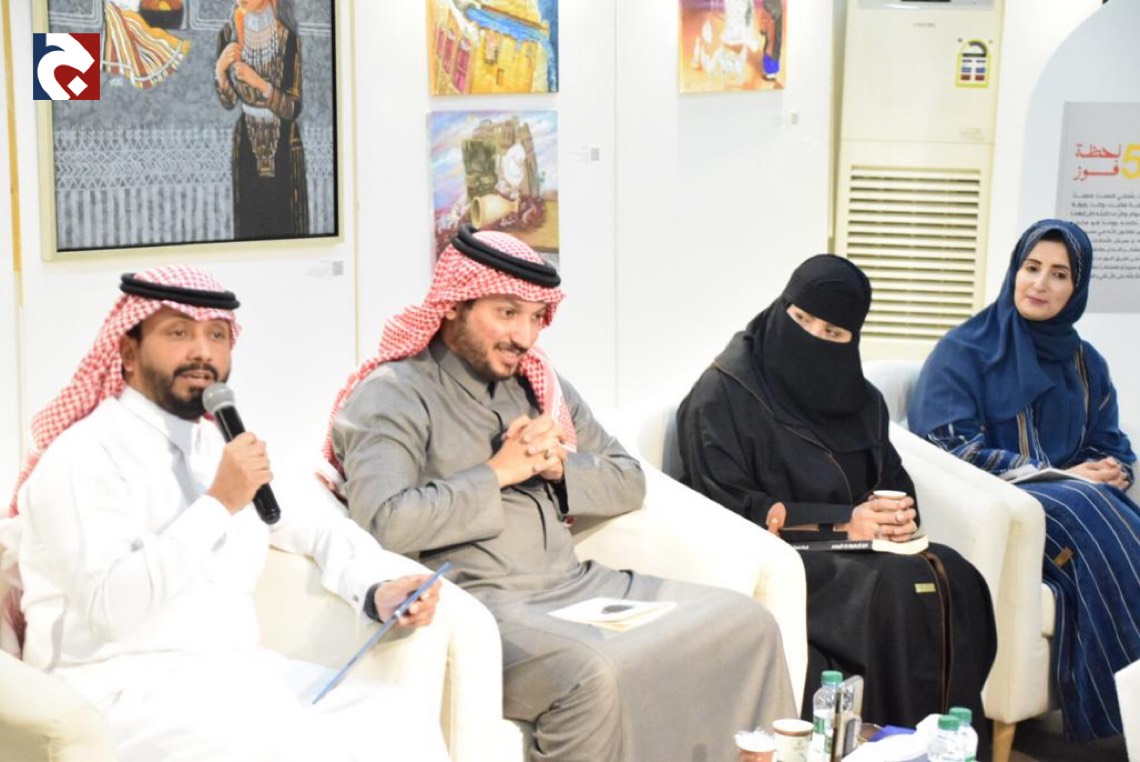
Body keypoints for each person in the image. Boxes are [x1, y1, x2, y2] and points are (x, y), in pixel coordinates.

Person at [325, 225, 796, 762]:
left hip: (577, 585)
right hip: (485, 603)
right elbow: (383, 521)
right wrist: (496, 473)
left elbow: (628, 478)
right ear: (454, 304)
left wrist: (560, 468)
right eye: (507, 313)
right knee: (596, 672)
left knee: (747, 622)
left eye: (535, 317)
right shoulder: (392, 394)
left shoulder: (536, 382)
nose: (524, 337)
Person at [8, 266, 449, 762]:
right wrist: (218, 504)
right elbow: (110, 610)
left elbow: (308, 524)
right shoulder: (83, 457)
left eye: (217, 335)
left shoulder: (218, 444)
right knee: (290, 746)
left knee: (398, 718)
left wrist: (374, 588)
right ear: (128, 353)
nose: (202, 352)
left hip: (234, 676)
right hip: (119, 692)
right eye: (179, 333)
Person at [676, 255, 997, 733]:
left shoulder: (860, 400)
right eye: (801, 319)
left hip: (860, 552)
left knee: (956, 575)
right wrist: (843, 522)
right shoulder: (723, 393)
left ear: (852, 340)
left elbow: (889, 475)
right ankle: (889, 741)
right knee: (898, 591)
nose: (812, 336)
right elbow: (724, 505)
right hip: (781, 555)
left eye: (832, 332)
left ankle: (946, 744)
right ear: (781, 307)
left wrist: (894, 515)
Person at [908, 219, 1140, 742]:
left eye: (1059, 274)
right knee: (1085, 501)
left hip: (1081, 508)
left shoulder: (1086, 363)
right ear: (1014, 270)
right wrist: (1056, 475)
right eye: (1031, 267)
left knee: (1093, 500)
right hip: (1007, 510)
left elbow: (1111, 442)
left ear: (1076, 288)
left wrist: (1111, 470)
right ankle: (1122, 720)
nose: (1040, 284)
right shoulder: (964, 351)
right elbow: (947, 446)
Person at [215, 0, 308, 240]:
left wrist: (258, 82)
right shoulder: (228, 33)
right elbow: (228, 102)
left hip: (284, 144)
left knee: (284, 222)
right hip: (246, 141)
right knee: (249, 222)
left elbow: (292, 108)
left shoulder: (287, 37)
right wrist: (220, 71)